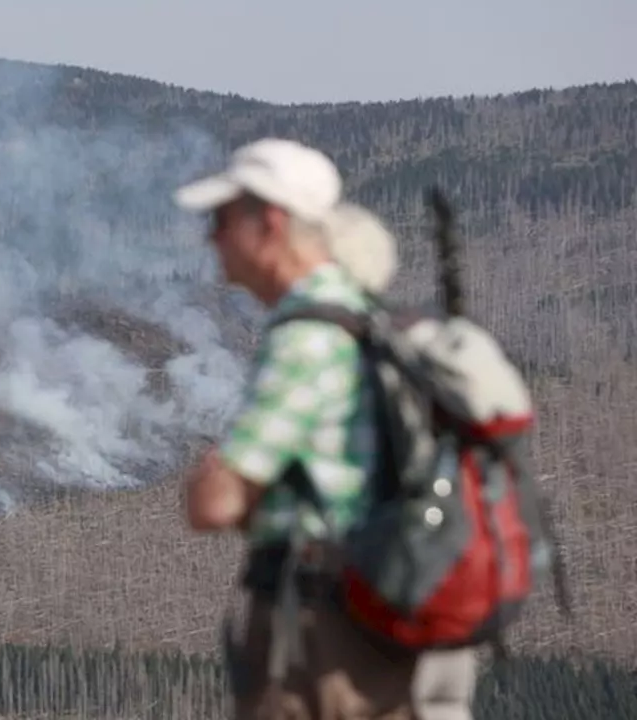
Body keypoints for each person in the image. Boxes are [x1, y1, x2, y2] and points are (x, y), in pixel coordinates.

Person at [174, 138, 478, 720]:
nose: (210, 238)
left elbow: (213, 503)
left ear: (270, 222)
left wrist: (216, 482)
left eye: (221, 219)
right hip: (378, 613)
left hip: (322, 631)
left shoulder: (305, 336)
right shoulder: (366, 316)